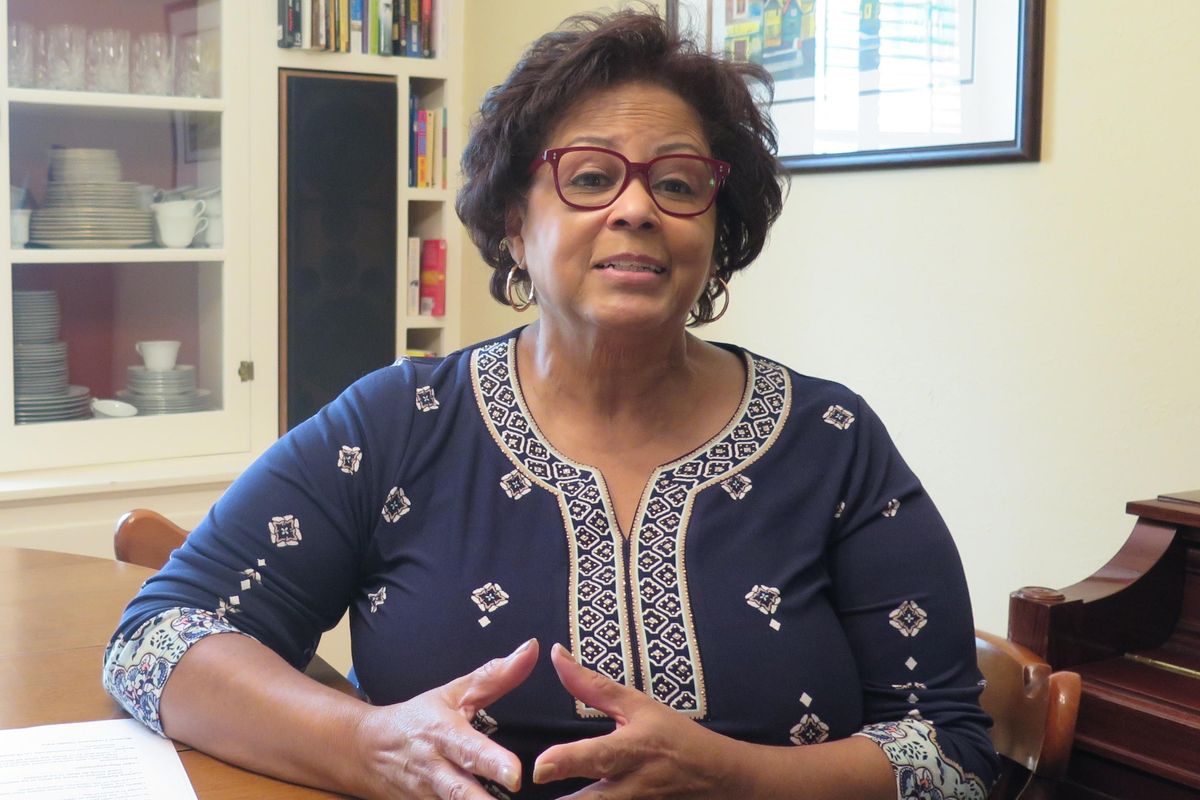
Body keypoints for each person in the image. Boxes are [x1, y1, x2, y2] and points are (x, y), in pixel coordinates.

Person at [103, 9, 998, 799]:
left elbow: (953, 757)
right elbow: (155, 642)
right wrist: (372, 745)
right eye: (589, 176)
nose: (638, 207)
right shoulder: (398, 421)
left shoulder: (832, 441)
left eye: (679, 182)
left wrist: (738, 779)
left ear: (717, 235)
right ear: (511, 225)